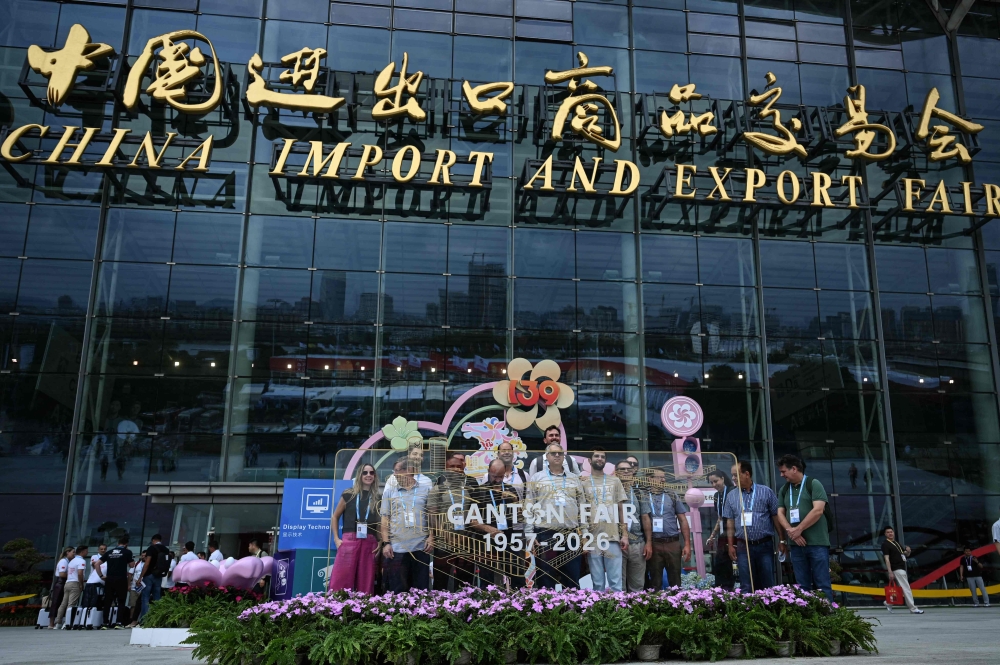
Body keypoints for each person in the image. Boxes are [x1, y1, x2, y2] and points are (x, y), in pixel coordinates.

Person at [525, 442, 587, 589]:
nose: (557, 455)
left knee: (572, 577)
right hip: (545, 533)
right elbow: (529, 506)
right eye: (553, 453)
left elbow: (583, 508)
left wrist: (585, 533)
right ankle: (546, 610)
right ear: (547, 457)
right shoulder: (537, 478)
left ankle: (573, 609)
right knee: (545, 577)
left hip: (570, 534)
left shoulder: (574, 479)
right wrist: (529, 534)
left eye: (560, 453)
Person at [776, 454, 832, 602]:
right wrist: (791, 531)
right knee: (802, 586)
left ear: (794, 469)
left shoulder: (813, 484)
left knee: (822, 584)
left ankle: (828, 617)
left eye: (783, 471)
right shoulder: (784, 489)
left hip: (817, 543)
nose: (781, 475)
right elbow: (780, 513)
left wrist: (798, 529)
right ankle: (807, 618)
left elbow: (818, 510)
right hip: (796, 545)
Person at [724, 460, 782, 592]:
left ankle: (769, 609)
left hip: (764, 545)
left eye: (735, 475)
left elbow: (776, 516)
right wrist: (730, 545)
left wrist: (782, 540)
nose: (733, 478)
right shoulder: (731, 495)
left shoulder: (766, 491)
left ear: (747, 474)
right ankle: (749, 610)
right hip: (743, 546)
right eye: (732, 475)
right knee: (746, 584)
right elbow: (730, 521)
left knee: (767, 583)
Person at [381, 458, 434, 592]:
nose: (394, 475)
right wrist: (386, 543)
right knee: (398, 589)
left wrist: (431, 537)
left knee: (421, 590)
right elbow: (385, 518)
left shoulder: (426, 489)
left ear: (409, 471)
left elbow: (432, 515)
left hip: (421, 547)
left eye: (397, 471)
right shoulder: (390, 491)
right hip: (397, 548)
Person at [472, 459, 525, 587]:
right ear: (488, 472)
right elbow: (472, 521)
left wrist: (515, 500)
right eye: (494, 476)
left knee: (516, 574)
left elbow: (520, 517)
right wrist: (487, 528)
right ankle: (488, 604)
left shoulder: (510, 489)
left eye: (501, 477)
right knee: (487, 577)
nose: (497, 480)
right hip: (487, 539)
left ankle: (520, 602)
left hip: (509, 537)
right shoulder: (479, 491)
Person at [329, 463, 382, 594]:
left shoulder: (377, 498)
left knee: (366, 581)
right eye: (365, 472)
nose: (368, 475)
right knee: (341, 579)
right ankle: (336, 609)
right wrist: (336, 539)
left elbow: (380, 523)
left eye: (371, 473)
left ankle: (364, 610)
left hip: (370, 542)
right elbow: (335, 517)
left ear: (375, 476)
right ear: (359, 475)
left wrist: (381, 542)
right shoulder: (349, 494)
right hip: (349, 540)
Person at [429, 452, 477, 590]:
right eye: (452, 466)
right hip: (444, 544)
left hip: (465, 543)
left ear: (462, 467)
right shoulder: (437, 489)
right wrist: (447, 536)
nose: (455, 469)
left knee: (466, 584)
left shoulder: (469, 488)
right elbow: (433, 516)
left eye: (458, 466)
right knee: (441, 582)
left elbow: (474, 515)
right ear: (446, 468)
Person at [583, 448, 628, 592]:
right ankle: (599, 613)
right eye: (596, 456)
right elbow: (581, 511)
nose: (600, 459)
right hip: (593, 538)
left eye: (602, 457)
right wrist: (584, 538)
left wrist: (625, 535)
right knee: (597, 584)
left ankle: (618, 614)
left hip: (613, 537)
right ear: (590, 461)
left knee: (616, 583)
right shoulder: (583, 483)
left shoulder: (614, 481)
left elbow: (621, 509)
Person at [645, 468, 691, 589]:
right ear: (650, 479)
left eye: (664, 477)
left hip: (672, 542)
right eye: (660, 477)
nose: (663, 479)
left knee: (675, 579)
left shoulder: (671, 494)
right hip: (654, 543)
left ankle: (677, 604)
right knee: (655, 580)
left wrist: (687, 544)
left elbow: (682, 520)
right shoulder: (643, 496)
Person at [617, 460, 652, 592]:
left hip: (638, 544)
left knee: (637, 585)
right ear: (616, 473)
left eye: (628, 469)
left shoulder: (639, 493)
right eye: (622, 469)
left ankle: (634, 611)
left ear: (633, 473)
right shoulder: (611, 494)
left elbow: (645, 518)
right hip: (617, 544)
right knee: (619, 586)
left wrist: (649, 543)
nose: (626, 471)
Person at [705, 470, 736, 591]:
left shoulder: (733, 491)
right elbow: (720, 517)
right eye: (711, 482)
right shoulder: (717, 496)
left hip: (735, 532)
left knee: (732, 561)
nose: (714, 485)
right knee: (720, 562)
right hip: (723, 533)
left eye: (716, 481)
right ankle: (721, 589)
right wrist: (712, 535)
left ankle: (733, 588)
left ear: (723, 479)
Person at [881, 527, 922, 613]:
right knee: (906, 588)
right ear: (885, 534)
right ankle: (913, 608)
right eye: (888, 532)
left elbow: (904, 554)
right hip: (897, 568)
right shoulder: (885, 544)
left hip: (901, 567)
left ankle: (888, 602)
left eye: (891, 532)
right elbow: (887, 559)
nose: (890, 533)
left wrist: (908, 551)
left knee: (902, 588)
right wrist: (890, 571)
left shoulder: (896, 543)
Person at [100, 536, 133, 629]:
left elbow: (97, 563)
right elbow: (132, 565)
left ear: (118, 543)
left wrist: (101, 576)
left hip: (109, 579)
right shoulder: (127, 552)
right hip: (121, 579)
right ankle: (119, 623)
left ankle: (105, 623)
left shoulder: (109, 552)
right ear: (126, 544)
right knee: (121, 601)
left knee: (107, 601)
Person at [138, 533, 170, 622]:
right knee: (157, 597)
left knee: (145, 597)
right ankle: (157, 619)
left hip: (149, 575)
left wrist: (141, 576)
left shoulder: (151, 548)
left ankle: (144, 620)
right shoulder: (166, 549)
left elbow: (147, 563)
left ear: (153, 540)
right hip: (159, 575)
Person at [55, 545, 87, 628]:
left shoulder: (71, 561)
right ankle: (67, 622)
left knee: (63, 603)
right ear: (83, 552)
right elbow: (80, 573)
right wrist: (81, 584)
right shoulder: (81, 561)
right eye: (86, 551)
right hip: (75, 583)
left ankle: (58, 623)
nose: (87, 553)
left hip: (68, 583)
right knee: (71, 604)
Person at [48, 547, 74, 628]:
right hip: (61, 582)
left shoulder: (68, 561)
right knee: (56, 602)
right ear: (67, 552)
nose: (74, 554)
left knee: (62, 602)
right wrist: (72, 576)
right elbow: (62, 574)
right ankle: (51, 623)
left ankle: (58, 621)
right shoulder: (64, 561)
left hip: (63, 582)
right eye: (73, 552)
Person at [82, 544, 107, 609]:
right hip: (93, 581)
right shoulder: (94, 556)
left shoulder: (107, 557)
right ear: (98, 550)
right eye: (101, 549)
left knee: (99, 599)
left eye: (104, 549)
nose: (103, 550)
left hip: (102, 582)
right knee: (91, 600)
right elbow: (94, 564)